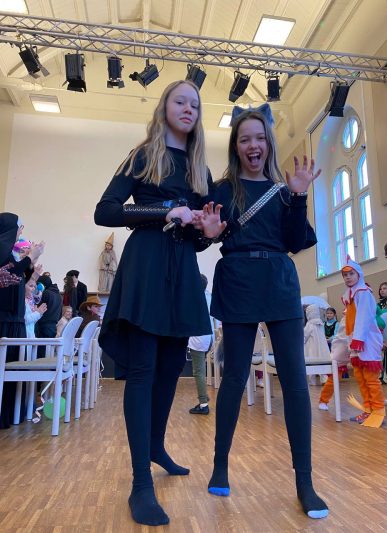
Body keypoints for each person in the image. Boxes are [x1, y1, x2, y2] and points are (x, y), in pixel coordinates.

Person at [94, 80, 222, 527]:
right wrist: (165, 210)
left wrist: (208, 233)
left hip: (182, 269)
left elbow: (199, 237)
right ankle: (140, 484)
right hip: (146, 267)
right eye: (180, 101)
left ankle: (155, 447)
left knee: (171, 369)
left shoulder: (200, 169)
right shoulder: (143, 155)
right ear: (164, 106)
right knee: (145, 371)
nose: (188, 109)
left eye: (195, 105)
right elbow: (105, 211)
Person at [197, 104, 328, 519]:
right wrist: (208, 236)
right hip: (238, 280)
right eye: (244, 139)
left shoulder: (284, 189)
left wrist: (300, 196)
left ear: (268, 143)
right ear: (236, 146)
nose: (252, 145)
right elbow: (204, 236)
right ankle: (220, 465)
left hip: (279, 281)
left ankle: (305, 482)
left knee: (293, 379)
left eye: (259, 138)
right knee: (235, 377)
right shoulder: (222, 190)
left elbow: (295, 242)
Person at [0, 212, 44, 429]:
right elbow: (8, 276)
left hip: (14, 321)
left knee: (11, 371)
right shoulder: (2, 253)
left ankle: (8, 416)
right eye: (19, 226)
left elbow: (17, 279)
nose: (21, 230)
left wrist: (30, 261)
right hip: (5, 322)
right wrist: (30, 257)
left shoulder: (9, 254)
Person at [341, 257, 385, 427]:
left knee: (371, 379)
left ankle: (378, 411)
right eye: (345, 275)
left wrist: (358, 340)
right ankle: (368, 409)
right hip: (355, 342)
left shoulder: (364, 293)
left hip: (367, 341)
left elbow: (364, 318)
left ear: (358, 274)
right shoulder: (351, 295)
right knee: (360, 378)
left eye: (351, 274)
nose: (348, 277)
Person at [188, 273, 213, 415]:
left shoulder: (194, 299)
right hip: (208, 338)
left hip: (199, 339)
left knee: (198, 372)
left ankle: (203, 404)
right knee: (200, 370)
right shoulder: (208, 296)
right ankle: (204, 398)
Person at [319, 314, 350, 410]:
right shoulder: (348, 316)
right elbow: (344, 335)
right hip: (342, 348)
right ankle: (323, 400)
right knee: (334, 378)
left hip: (356, 346)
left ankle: (376, 399)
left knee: (368, 376)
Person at [304, 304, 330, 385]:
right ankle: (324, 379)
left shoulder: (310, 324)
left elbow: (305, 335)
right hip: (321, 346)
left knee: (311, 363)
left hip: (311, 347)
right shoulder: (320, 323)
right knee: (322, 361)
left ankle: (312, 381)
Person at [35, 275, 62, 339]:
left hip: (43, 326)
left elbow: (38, 309)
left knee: (41, 345)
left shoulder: (46, 293)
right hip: (53, 327)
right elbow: (60, 314)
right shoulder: (59, 295)